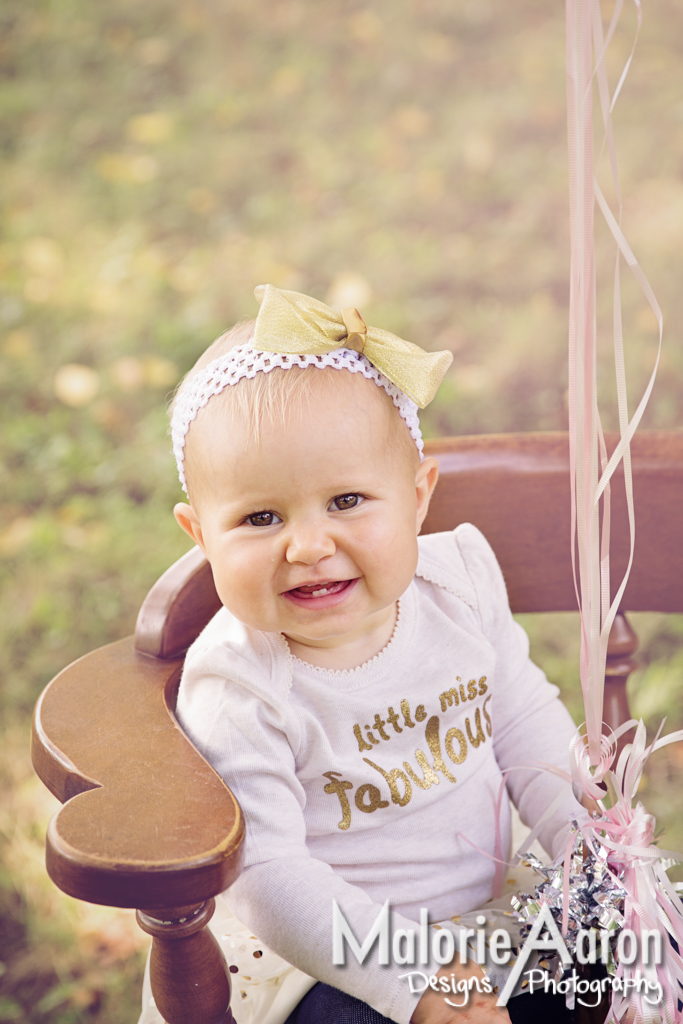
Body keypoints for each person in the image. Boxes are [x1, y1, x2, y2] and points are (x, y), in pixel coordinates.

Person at [161, 284, 583, 1024]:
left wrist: (593, 856)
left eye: (348, 501)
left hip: (496, 914)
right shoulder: (240, 681)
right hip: (326, 956)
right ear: (201, 536)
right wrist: (415, 982)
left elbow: (526, 729)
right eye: (260, 517)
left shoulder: (457, 587)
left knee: (626, 959)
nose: (309, 545)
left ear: (417, 496)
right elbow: (271, 877)